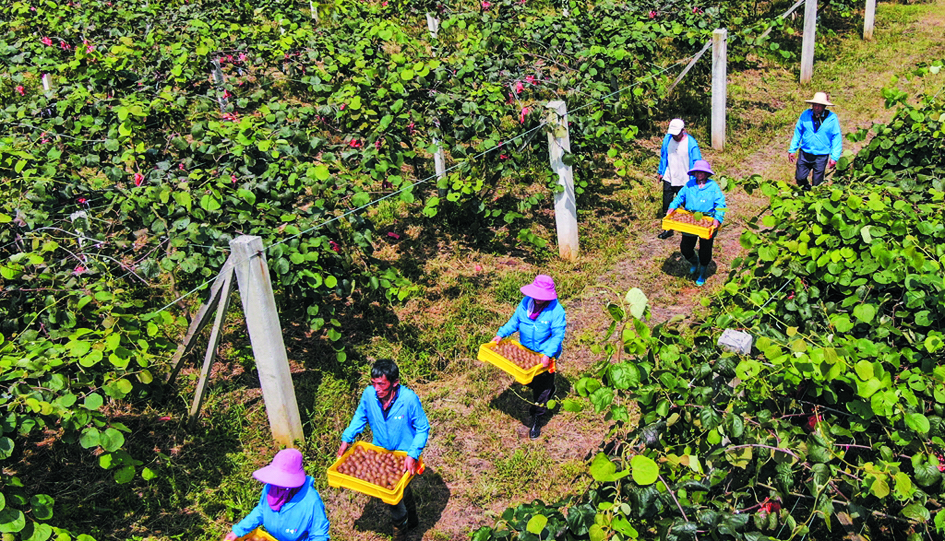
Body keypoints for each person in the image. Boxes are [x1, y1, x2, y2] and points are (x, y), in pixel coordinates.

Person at [338, 359, 430, 541]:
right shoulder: (369, 396)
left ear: (394, 383)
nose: (376, 389)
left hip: (403, 455)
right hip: (381, 454)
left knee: (394, 499)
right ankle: (412, 521)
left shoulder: (408, 399)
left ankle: (400, 534)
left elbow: (423, 428)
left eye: (381, 384)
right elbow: (360, 416)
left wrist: (412, 454)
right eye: (373, 383)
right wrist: (346, 438)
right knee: (400, 491)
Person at [491, 274, 567, 440]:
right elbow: (515, 321)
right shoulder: (526, 303)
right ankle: (547, 391)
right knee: (530, 381)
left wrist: (547, 354)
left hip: (544, 354)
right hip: (526, 351)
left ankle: (537, 418)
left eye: (542, 297)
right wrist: (501, 334)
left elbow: (557, 335)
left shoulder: (556, 311)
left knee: (541, 389)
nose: (538, 299)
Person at [225, 448, 330, 541]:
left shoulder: (310, 502)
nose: (276, 486)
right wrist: (239, 530)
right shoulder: (271, 488)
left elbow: (319, 535)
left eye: (281, 483)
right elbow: (261, 510)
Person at [665, 160, 726, 287]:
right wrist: (672, 207)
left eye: (702, 172)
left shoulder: (713, 187)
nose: (699, 174)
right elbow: (679, 198)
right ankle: (694, 261)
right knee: (686, 247)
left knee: (705, 249)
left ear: (706, 174)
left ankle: (702, 272)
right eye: (697, 172)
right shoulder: (689, 185)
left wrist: (718, 218)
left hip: (707, 220)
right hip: (690, 220)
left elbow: (721, 204)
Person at [657, 118, 703, 239]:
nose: (675, 137)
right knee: (667, 202)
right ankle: (667, 228)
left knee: (688, 204)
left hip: (684, 178)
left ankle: (691, 227)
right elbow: (663, 156)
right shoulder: (667, 139)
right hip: (669, 176)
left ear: (683, 130)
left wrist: (697, 178)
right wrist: (661, 172)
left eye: (677, 134)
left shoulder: (691, 143)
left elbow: (697, 161)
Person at [788, 92, 842, 191]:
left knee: (817, 183)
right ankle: (806, 191)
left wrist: (834, 157)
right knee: (800, 177)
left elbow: (836, 137)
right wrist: (792, 149)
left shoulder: (832, 118)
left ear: (824, 106)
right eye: (815, 105)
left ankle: (813, 199)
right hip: (805, 153)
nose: (816, 108)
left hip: (821, 156)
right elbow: (798, 132)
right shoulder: (806, 115)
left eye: (819, 106)